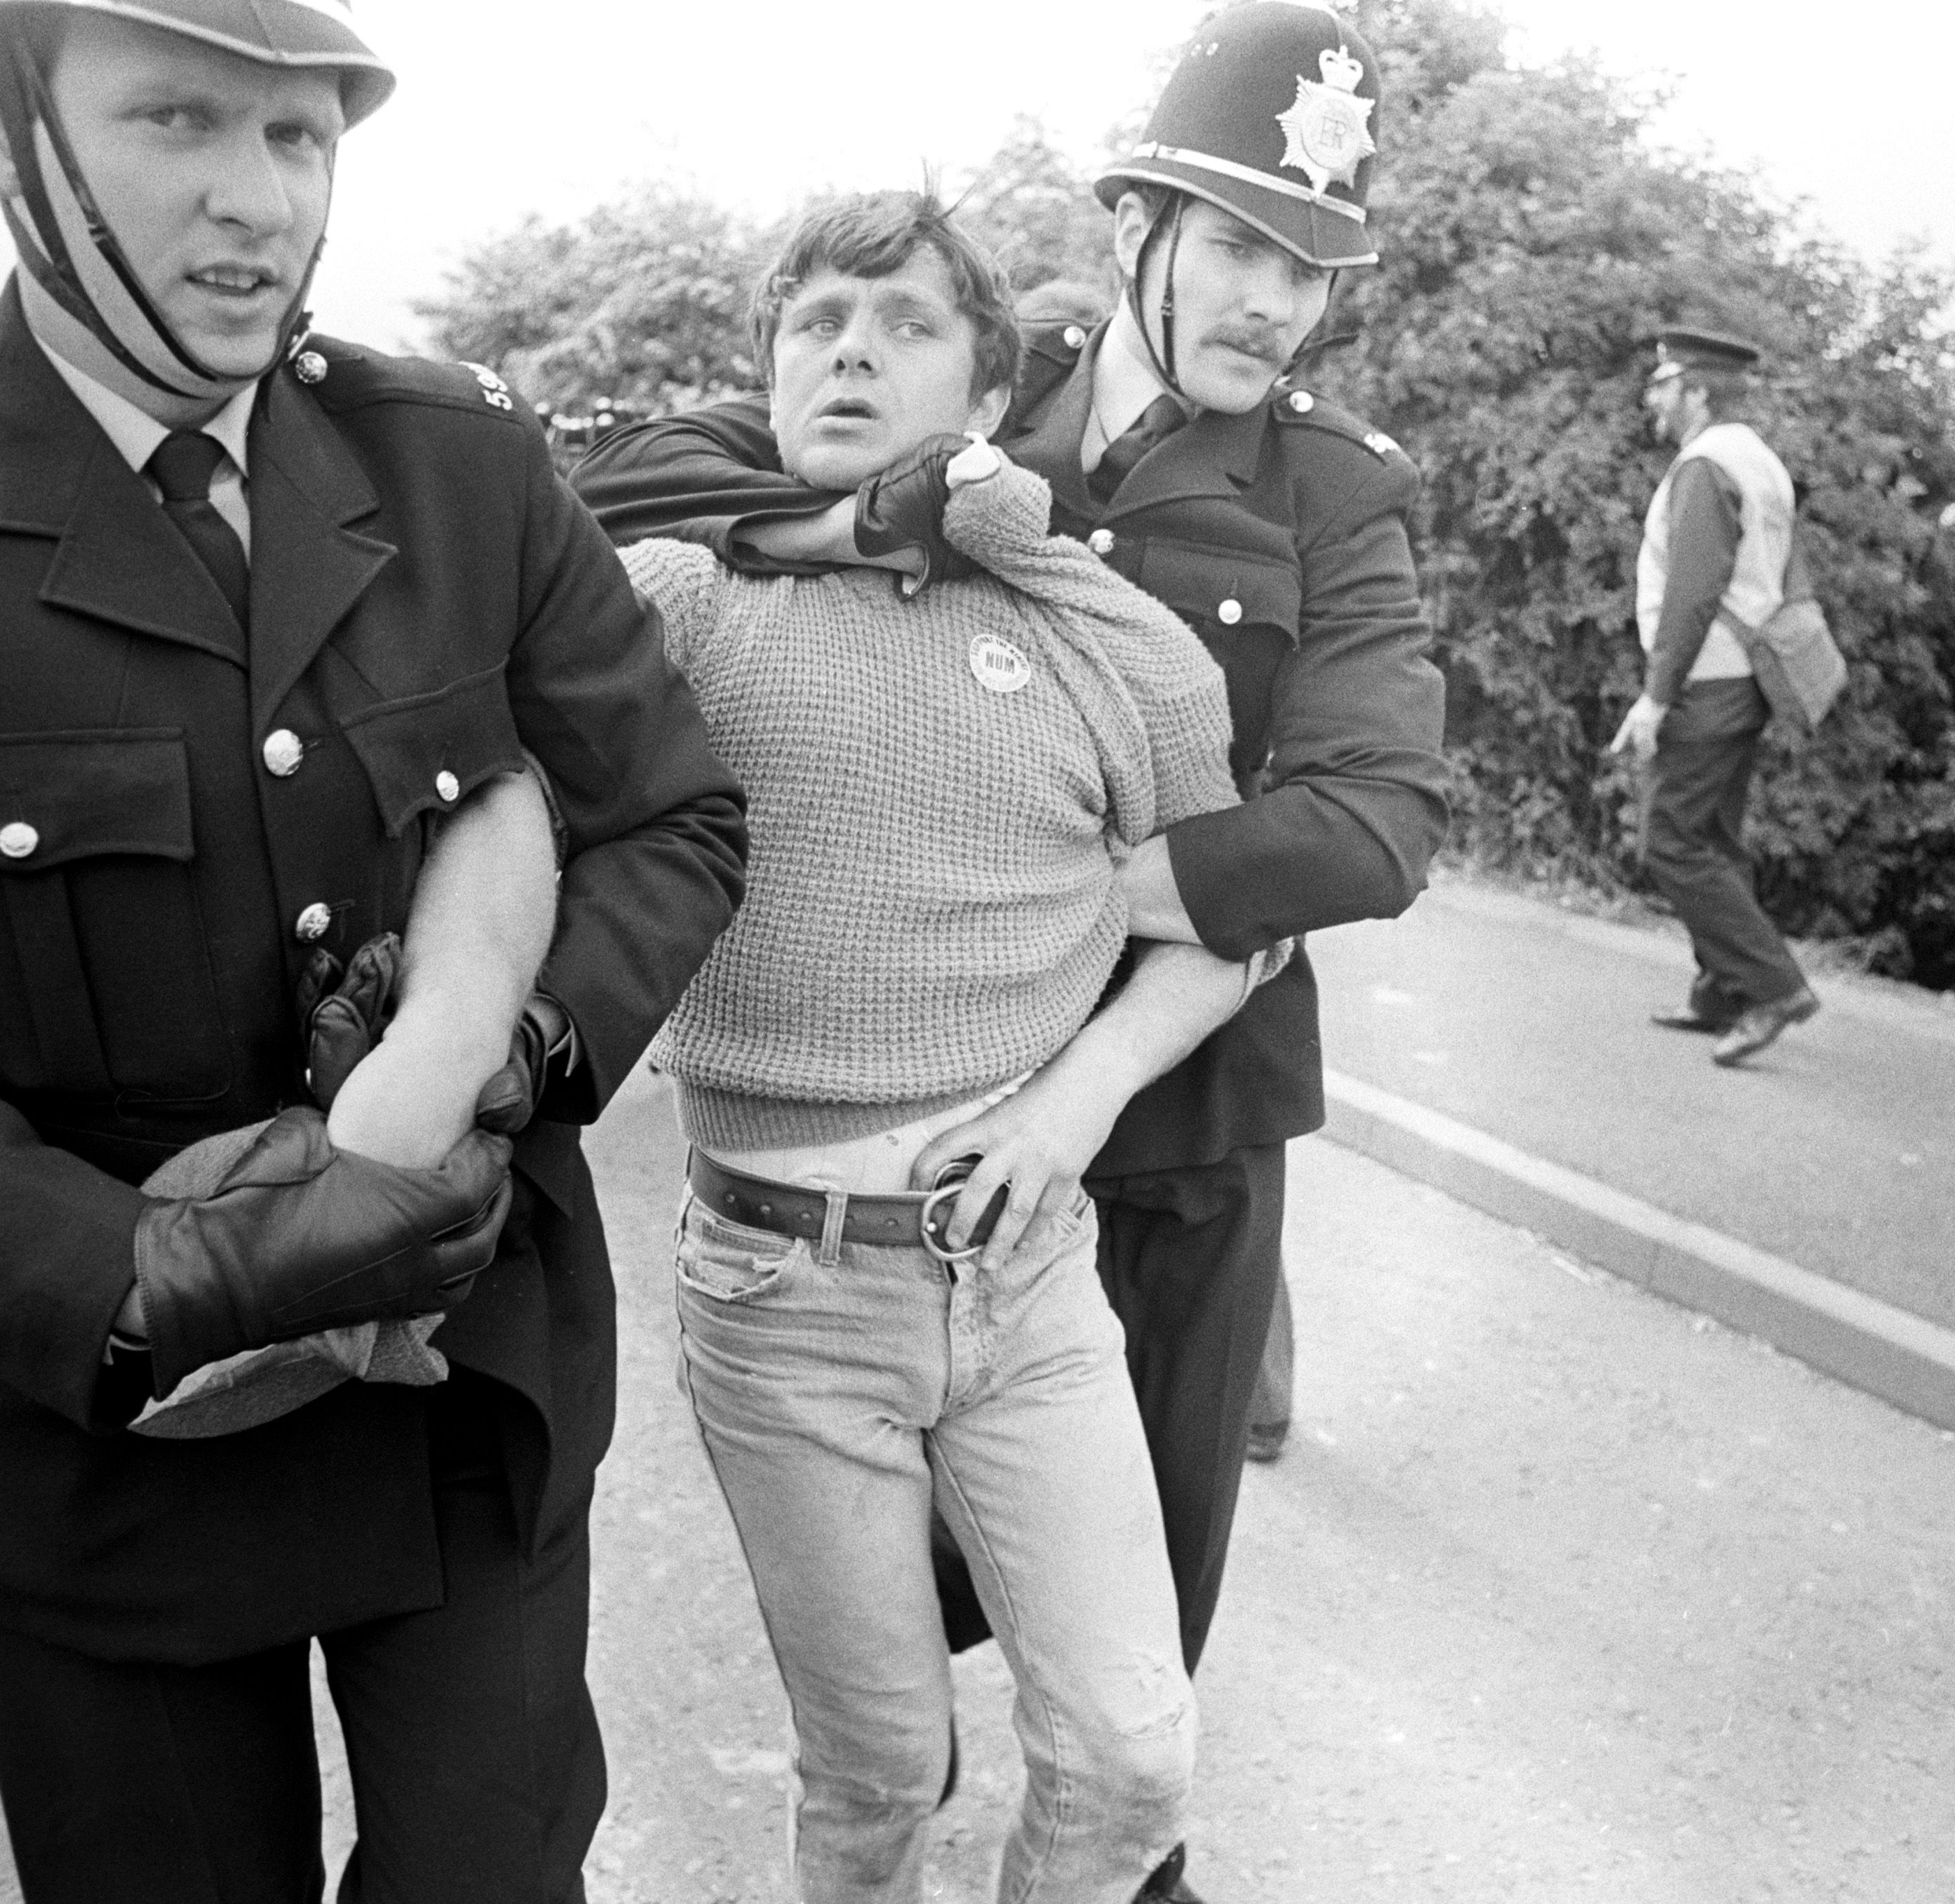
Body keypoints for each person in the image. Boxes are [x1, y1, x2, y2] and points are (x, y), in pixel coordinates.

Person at [0, 3, 745, 1898]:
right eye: (176, 120)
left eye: (299, 139)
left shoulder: (459, 463)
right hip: (96, 1445)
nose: (254, 203)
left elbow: (670, 814)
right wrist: (154, 1273)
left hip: (455, 1396)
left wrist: (510, 1050)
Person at [575, 26, 1450, 1891]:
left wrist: (1076, 887)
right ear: (1132, 224)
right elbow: (656, 490)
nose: (1276, 304)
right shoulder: (975, 370)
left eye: (1309, 269)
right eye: (1238, 243)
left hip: (1175, 1122)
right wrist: (848, 521)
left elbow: (1374, 818)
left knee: (1138, 1689)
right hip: (885, 1135)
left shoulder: (1340, 492)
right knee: (892, 1676)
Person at [631, 185, 1265, 1904]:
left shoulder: (1109, 641)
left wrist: (1074, 1105)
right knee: (879, 1775)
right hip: (779, 1303)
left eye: (906, 323)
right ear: (764, 369)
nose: (850, 347)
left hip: (1031, 1285)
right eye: (816, 319)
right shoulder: (674, 601)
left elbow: (1232, 929)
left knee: (1134, 1757)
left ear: (985, 400)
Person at [1609, 326, 1820, 1067]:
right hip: (1745, 676)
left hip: (1706, 679)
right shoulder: (1758, 460)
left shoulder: (1704, 466)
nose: (1653, 397)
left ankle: (1771, 986)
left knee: (1669, 841)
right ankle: (1719, 990)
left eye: (1664, 384)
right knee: (1716, 839)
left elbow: (1691, 596)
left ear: (1696, 391)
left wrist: (1655, 698)